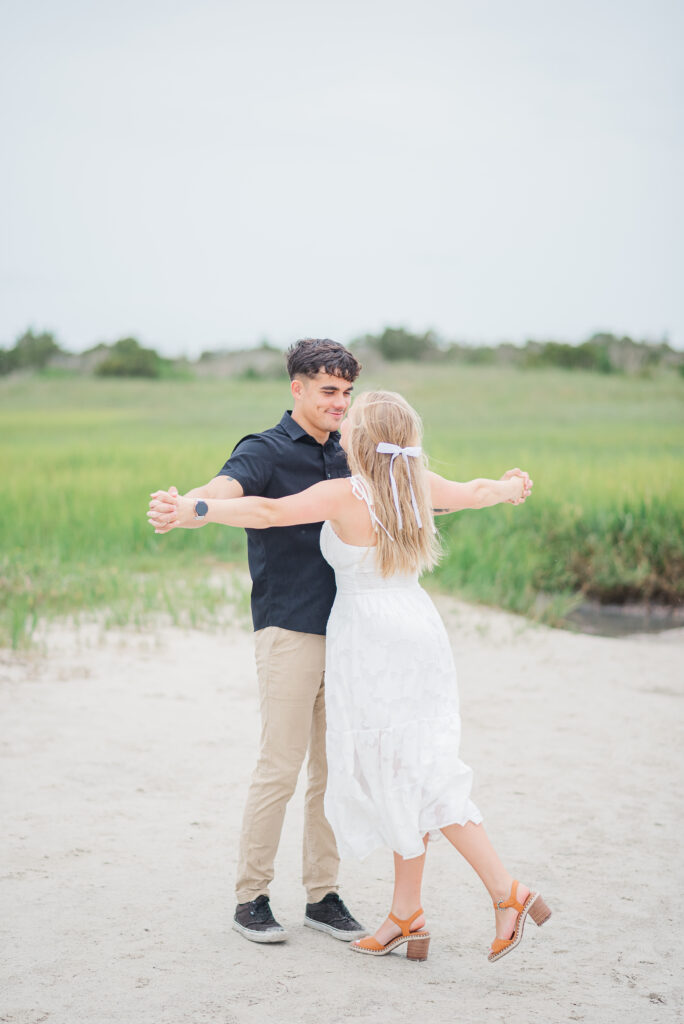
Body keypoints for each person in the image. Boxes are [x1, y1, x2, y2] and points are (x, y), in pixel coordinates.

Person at [148, 389, 551, 964]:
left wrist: (197, 510)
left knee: (414, 771)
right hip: (418, 628)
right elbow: (479, 492)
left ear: (360, 439)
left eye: (352, 418)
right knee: (405, 767)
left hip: (371, 637)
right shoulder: (416, 485)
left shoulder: (345, 492)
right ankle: (405, 913)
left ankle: (507, 891)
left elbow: (268, 512)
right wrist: (513, 487)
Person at [149, 339, 367, 945]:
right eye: (329, 391)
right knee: (280, 766)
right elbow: (226, 489)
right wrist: (188, 504)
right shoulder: (264, 449)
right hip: (288, 628)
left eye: (347, 393)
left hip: (349, 632)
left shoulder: (352, 454)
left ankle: (323, 896)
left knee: (332, 771)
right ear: (296, 388)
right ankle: (252, 897)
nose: (339, 404)